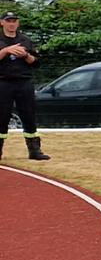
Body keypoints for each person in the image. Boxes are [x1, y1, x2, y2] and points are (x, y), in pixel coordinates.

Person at [0, 12, 49, 161]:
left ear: (18, 23)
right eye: (8, 21)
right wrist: (5, 51)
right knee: (1, 116)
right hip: (3, 82)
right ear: (2, 22)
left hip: (23, 82)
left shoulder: (25, 40)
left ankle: (34, 150)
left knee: (29, 115)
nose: (11, 24)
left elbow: (36, 62)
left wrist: (26, 55)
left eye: (14, 21)